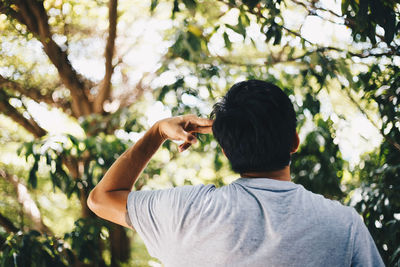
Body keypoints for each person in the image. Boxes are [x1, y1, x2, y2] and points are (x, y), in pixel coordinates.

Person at [87, 80, 384, 267]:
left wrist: (156, 133)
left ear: (226, 151)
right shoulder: (344, 225)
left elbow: (101, 198)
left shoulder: (184, 212)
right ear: (294, 141)